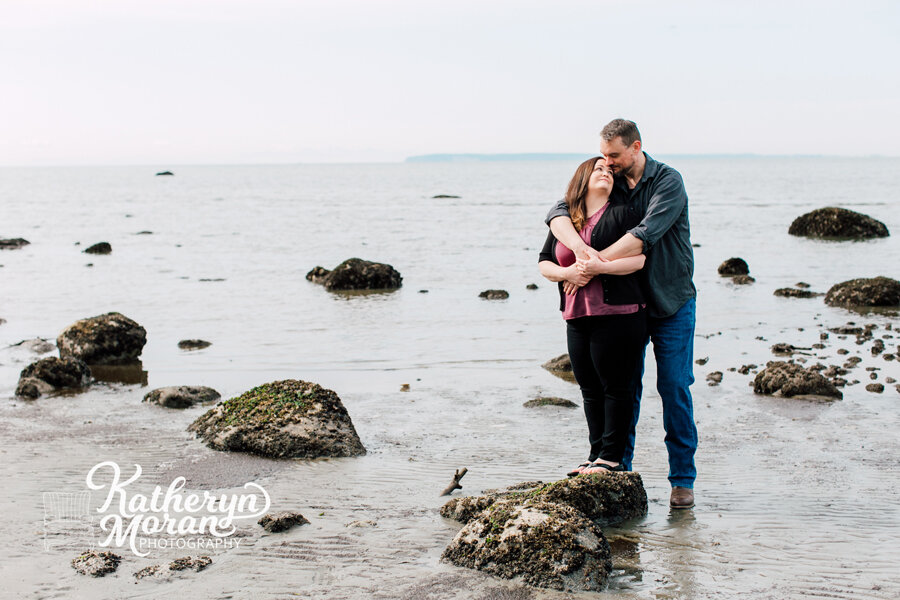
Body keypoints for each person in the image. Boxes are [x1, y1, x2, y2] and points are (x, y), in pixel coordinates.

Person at [545, 119, 698, 509]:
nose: (607, 163)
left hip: (668, 300)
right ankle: (617, 468)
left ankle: (682, 480)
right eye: (602, 155)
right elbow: (560, 210)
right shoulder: (606, 183)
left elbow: (644, 236)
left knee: (674, 387)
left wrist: (590, 264)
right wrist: (579, 263)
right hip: (624, 303)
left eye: (613, 156)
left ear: (636, 147)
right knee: (623, 387)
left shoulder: (666, 181)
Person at [538, 156, 648, 476]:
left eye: (610, 171)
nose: (606, 173)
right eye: (598, 169)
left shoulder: (623, 213)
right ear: (583, 177)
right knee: (589, 388)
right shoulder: (566, 219)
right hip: (576, 314)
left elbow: (639, 259)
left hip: (619, 312)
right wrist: (568, 271)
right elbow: (545, 263)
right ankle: (594, 454)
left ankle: (611, 458)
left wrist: (599, 268)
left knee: (615, 386)